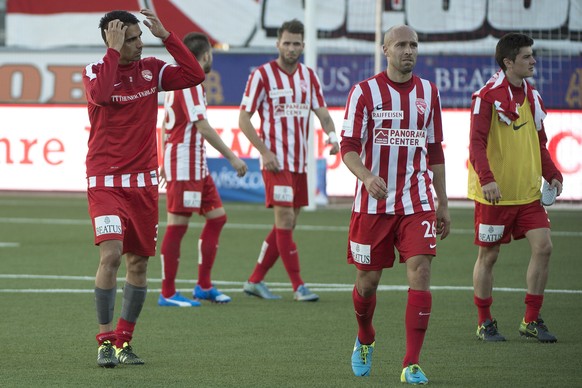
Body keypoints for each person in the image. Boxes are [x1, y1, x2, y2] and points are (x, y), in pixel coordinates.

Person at [83, 9, 205, 368]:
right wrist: (112, 52)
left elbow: (195, 74)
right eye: (131, 39)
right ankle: (104, 340)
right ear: (113, 40)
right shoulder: (96, 70)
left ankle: (124, 341)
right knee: (111, 256)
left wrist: (168, 35)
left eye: (140, 38)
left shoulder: (152, 69)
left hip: (144, 183)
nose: (139, 44)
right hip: (105, 181)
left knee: (138, 265)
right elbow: (102, 96)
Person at [341, 25, 450, 385]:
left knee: (420, 270)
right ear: (385, 49)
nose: (409, 50)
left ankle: (411, 362)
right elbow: (348, 148)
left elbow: (434, 150)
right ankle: (366, 335)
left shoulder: (429, 92)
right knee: (367, 283)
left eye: (414, 45)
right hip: (373, 203)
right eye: (401, 44)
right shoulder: (364, 92)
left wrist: (442, 202)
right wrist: (367, 176)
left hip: (417, 199)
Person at [468, 32, 563, 343]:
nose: (533, 60)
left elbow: (540, 142)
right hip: (494, 196)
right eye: (526, 56)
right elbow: (476, 144)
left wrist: (552, 173)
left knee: (544, 247)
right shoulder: (486, 97)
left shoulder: (532, 96)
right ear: (508, 62)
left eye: (531, 54)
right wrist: (487, 179)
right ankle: (485, 322)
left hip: (527, 194)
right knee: (489, 256)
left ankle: (530, 320)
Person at [239, 19, 339, 302]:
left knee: (288, 223)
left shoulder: (309, 76)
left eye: (296, 43)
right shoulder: (262, 75)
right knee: (284, 218)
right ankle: (299, 286)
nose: (291, 48)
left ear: (303, 46)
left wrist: (332, 137)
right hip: (276, 163)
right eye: (287, 43)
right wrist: (264, 151)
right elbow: (244, 118)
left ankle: (255, 280)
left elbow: (323, 113)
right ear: (278, 44)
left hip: (300, 164)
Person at [158, 32, 248, 307]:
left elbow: (164, 124)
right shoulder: (191, 80)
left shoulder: (180, 78)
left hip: (193, 163)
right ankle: (168, 292)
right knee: (178, 226)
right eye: (211, 55)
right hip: (185, 165)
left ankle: (203, 285)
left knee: (217, 217)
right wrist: (233, 157)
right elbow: (202, 126)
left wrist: (163, 159)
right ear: (206, 55)